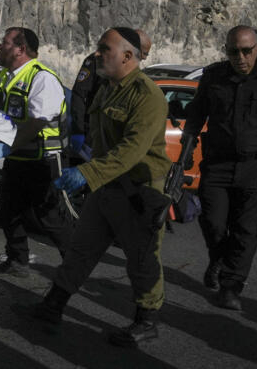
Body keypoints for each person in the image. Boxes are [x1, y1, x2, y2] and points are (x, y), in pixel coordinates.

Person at [31, 27, 170, 347]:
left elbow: (132, 151)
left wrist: (87, 173)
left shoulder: (147, 95)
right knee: (81, 249)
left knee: (142, 259)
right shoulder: (109, 88)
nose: (97, 54)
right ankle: (53, 306)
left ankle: (147, 321)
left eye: (104, 48)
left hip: (138, 191)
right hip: (106, 186)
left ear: (127, 56)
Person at [181, 25, 257, 311]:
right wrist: (186, 148)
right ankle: (219, 258)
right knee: (212, 222)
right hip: (218, 164)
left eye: (246, 51)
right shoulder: (214, 76)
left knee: (246, 230)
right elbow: (196, 114)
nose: (240, 57)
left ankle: (231, 286)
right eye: (233, 51)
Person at [0, 27, 74, 277]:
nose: (0, 46)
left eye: (5, 43)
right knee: (9, 209)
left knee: (49, 217)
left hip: (43, 161)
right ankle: (17, 260)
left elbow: (36, 122)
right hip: (18, 159)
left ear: (21, 49)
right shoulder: (5, 77)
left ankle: (75, 267)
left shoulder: (42, 78)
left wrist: (6, 145)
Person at [69, 29, 152, 161]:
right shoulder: (98, 61)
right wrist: (78, 129)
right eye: (144, 53)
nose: (145, 57)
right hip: (90, 131)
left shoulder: (140, 84)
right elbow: (79, 93)